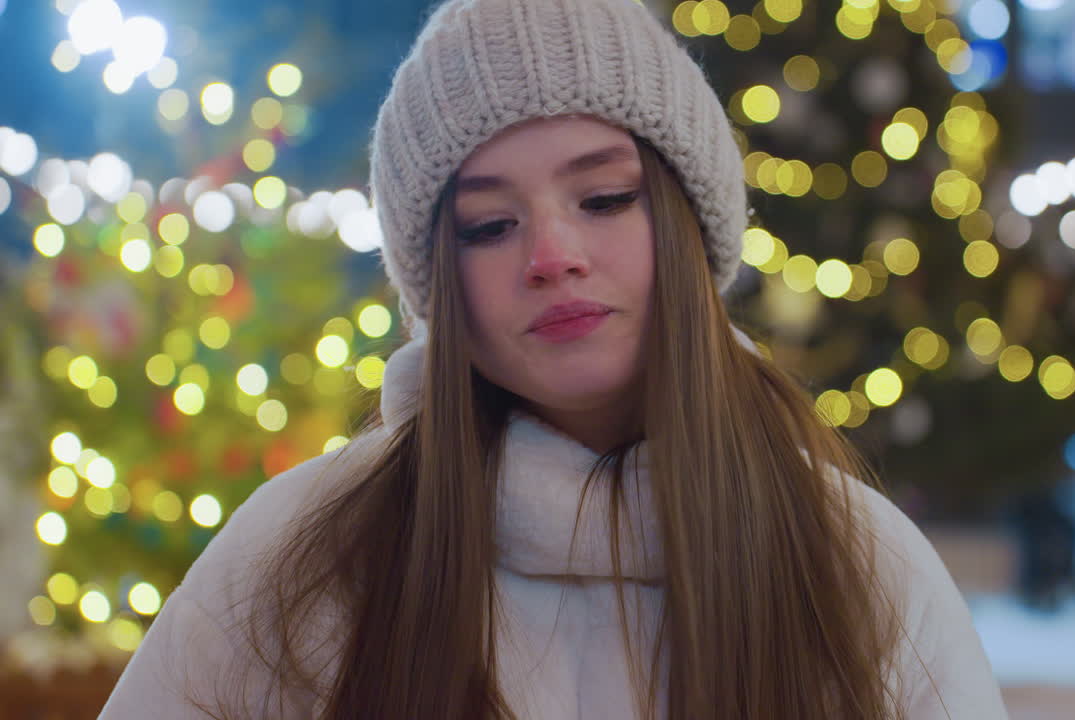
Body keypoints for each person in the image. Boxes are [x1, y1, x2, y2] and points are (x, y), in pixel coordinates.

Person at [100, 0, 1006, 717]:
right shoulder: (302, 556)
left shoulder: (853, 561)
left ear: (688, 223)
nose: (551, 254)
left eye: (605, 197)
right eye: (490, 225)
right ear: (439, 285)